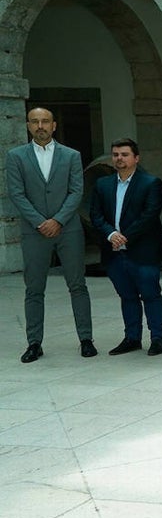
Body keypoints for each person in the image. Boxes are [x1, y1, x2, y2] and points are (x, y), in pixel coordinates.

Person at [6, 106, 95, 362]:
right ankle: (34, 343)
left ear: (54, 125)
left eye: (45, 121)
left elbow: (76, 191)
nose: (40, 126)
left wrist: (57, 220)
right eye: (35, 122)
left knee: (77, 285)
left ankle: (86, 339)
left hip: (68, 230)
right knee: (34, 289)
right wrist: (40, 222)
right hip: (34, 233)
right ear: (28, 125)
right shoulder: (16, 156)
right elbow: (17, 193)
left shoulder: (71, 156)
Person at [89, 137, 162, 355]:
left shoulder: (150, 183)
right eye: (115, 154)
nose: (119, 158)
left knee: (151, 294)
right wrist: (111, 234)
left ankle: (157, 338)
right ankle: (132, 338)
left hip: (143, 251)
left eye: (124, 154)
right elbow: (95, 214)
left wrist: (124, 236)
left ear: (136, 158)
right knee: (127, 296)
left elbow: (150, 215)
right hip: (114, 253)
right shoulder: (103, 184)